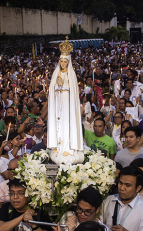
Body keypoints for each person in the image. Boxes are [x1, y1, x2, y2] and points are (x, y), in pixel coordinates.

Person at [47, 37, 84, 165]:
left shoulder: (71, 74)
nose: (63, 63)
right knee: (58, 124)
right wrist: (57, 87)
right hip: (58, 104)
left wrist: (63, 86)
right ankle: (58, 144)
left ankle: (68, 147)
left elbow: (73, 90)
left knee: (68, 124)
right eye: (61, 61)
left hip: (68, 104)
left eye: (65, 61)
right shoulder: (55, 74)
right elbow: (52, 89)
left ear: (68, 62)